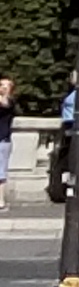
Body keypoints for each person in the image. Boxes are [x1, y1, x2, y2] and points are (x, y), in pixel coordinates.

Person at [0, 71, 18, 211]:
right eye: (1, 85)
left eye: (6, 86)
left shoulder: (10, 102)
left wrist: (5, 94)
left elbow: (5, 104)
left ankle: (0, 201)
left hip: (2, 140)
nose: (2, 87)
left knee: (1, 173)